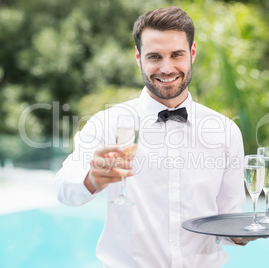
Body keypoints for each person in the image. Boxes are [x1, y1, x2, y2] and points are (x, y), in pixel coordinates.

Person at [56, 6, 256, 267]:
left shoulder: (226, 131)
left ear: (192, 53)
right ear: (138, 57)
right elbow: (63, 188)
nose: (166, 68)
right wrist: (92, 178)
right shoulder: (107, 123)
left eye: (176, 55)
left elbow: (228, 218)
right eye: (154, 57)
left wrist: (244, 233)